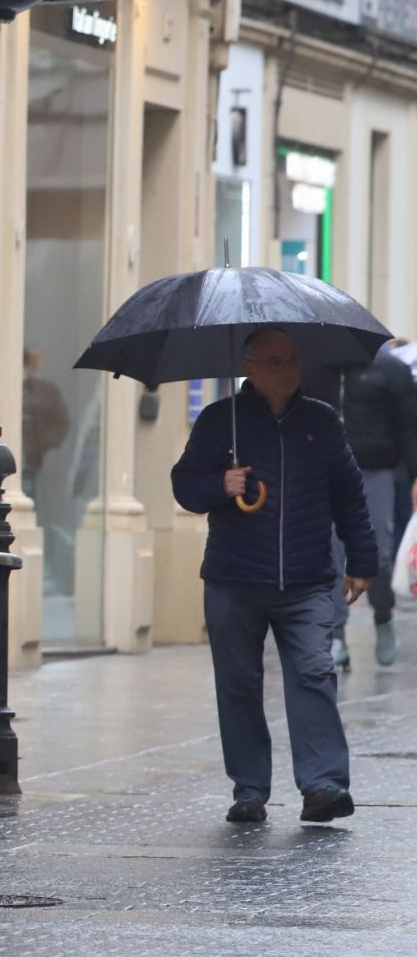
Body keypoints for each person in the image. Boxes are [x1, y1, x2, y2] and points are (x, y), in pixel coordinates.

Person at [172, 328, 376, 824]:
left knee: (313, 672)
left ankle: (323, 785)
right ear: (251, 368)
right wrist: (221, 484)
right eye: (275, 361)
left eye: (293, 361)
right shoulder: (222, 421)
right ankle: (249, 789)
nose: (288, 370)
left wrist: (363, 561)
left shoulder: (321, 421)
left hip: (307, 579)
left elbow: (350, 494)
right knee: (239, 683)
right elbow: (185, 487)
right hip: (234, 577)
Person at [301, 343, 417, 668]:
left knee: (376, 552)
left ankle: (383, 616)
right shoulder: (313, 369)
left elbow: (409, 426)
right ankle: (336, 635)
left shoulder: (388, 370)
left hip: (374, 470)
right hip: (326, 472)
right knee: (331, 553)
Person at [21, 346, 69, 501]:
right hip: (11, 456)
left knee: (32, 496)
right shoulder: (8, 385)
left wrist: (44, 445)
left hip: (36, 458)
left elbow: (62, 421)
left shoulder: (46, 389)